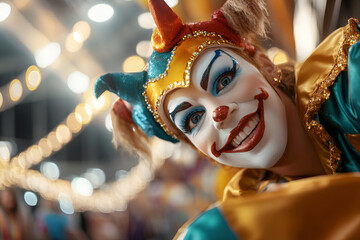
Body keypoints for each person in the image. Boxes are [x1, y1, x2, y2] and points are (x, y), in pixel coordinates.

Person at [94, 0, 360, 238]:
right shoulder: (246, 206)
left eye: (223, 80)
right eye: (193, 119)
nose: (217, 114)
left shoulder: (347, 83)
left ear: (265, 66)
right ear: (198, 149)